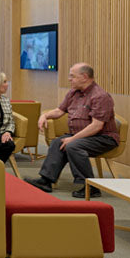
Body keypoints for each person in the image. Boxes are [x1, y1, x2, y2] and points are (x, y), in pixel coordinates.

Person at [25, 63, 119, 198]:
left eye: (72, 76)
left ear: (84, 77)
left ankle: (91, 187)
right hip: (83, 136)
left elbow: (96, 126)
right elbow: (59, 111)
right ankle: (46, 180)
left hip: (103, 137)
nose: (69, 79)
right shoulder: (73, 93)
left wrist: (73, 139)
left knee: (73, 145)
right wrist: (44, 115)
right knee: (57, 143)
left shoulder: (100, 96)